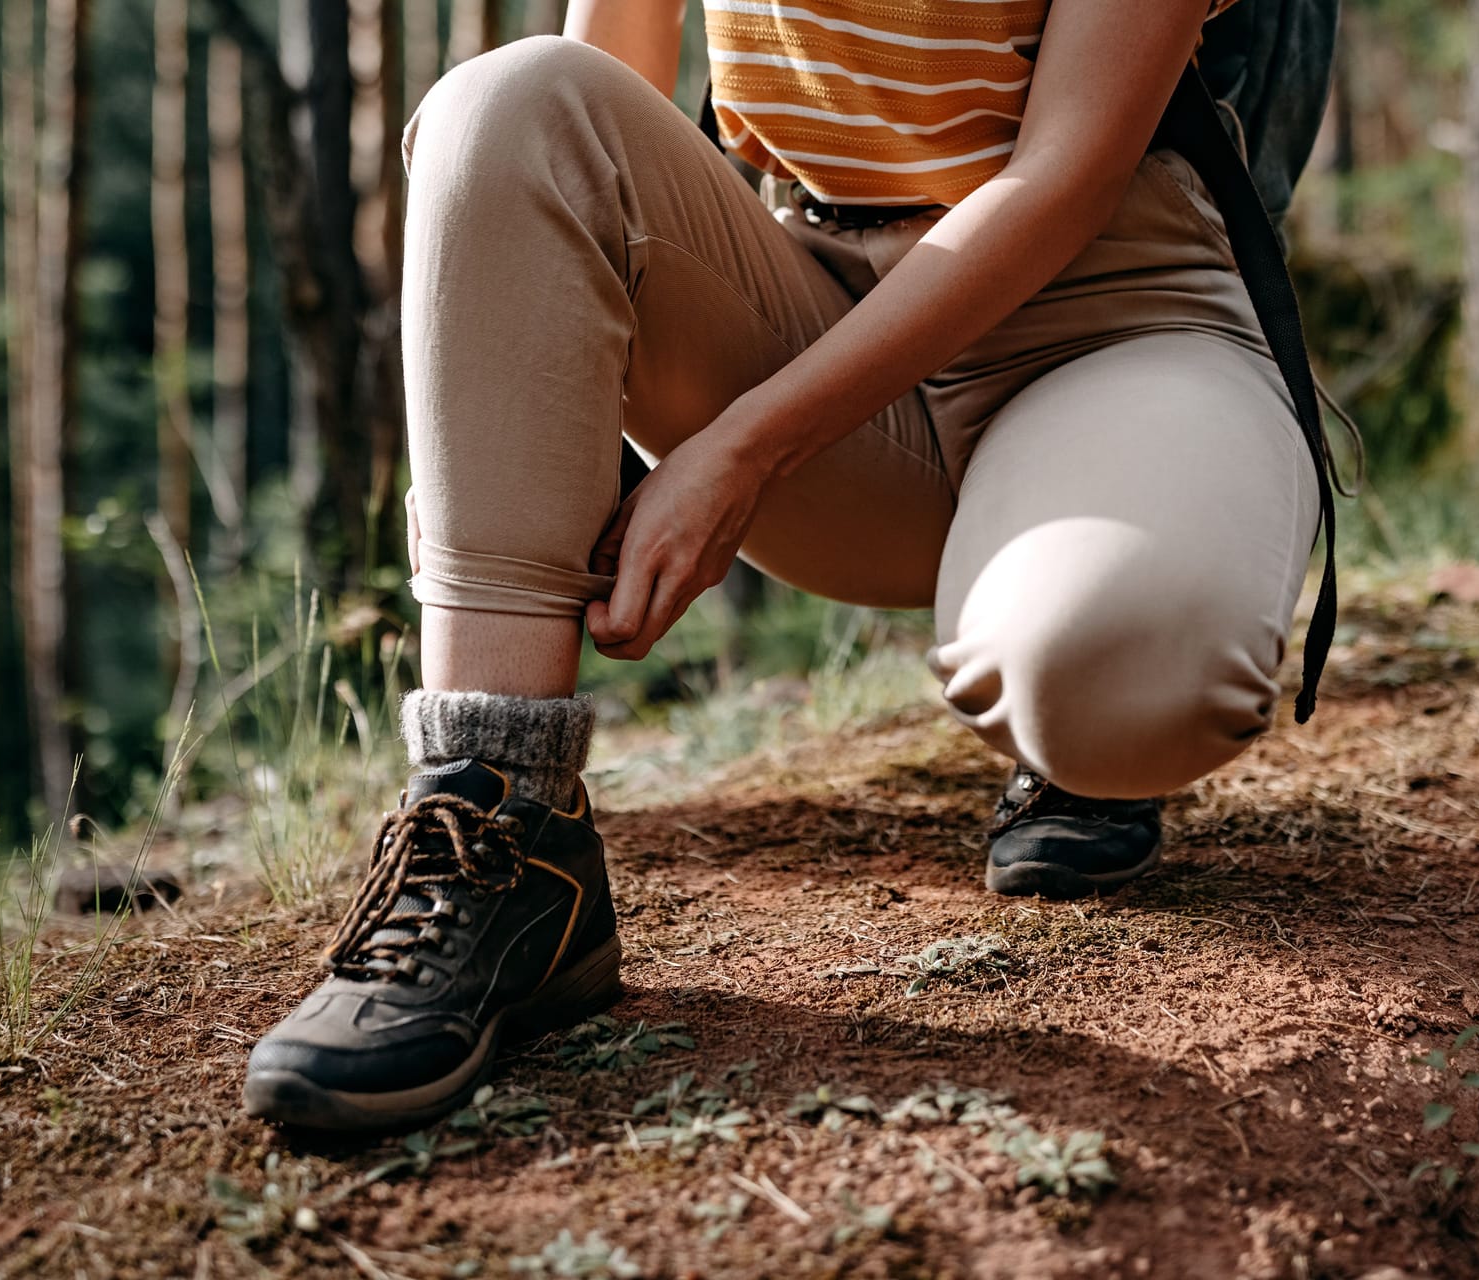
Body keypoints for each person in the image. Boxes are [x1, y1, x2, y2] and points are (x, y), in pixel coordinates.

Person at [244, 0, 1336, 1131]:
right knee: (506, 106)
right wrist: (542, 417)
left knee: (1118, 667)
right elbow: (593, 89)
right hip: (808, 295)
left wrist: (743, 448)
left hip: (1111, 315)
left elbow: (1066, 171)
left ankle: (1087, 616)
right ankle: (500, 826)